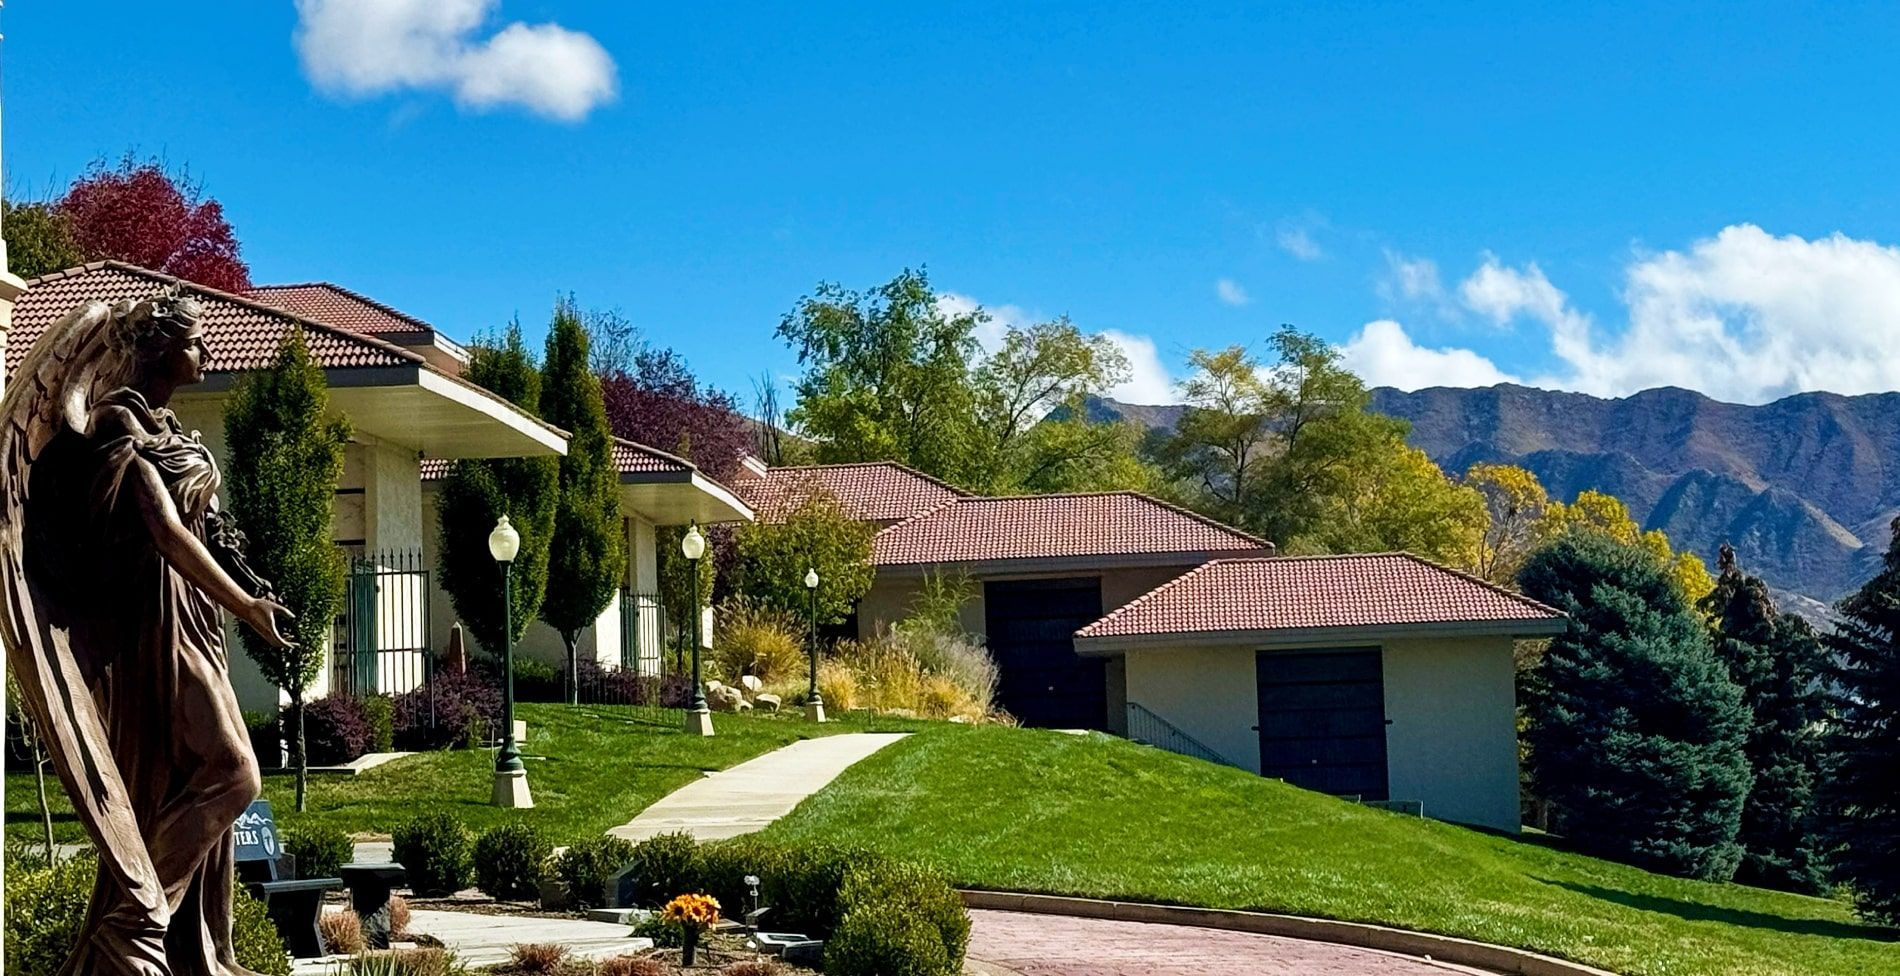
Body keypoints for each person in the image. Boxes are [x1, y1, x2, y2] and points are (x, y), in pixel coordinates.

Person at [1, 290, 295, 976]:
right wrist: (247, 606)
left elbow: (199, 531)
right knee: (233, 774)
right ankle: (132, 924)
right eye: (197, 342)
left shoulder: (166, 429)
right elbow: (163, 532)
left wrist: (245, 584)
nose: (209, 353)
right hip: (155, 627)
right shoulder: (115, 424)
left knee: (194, 782)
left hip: (196, 617)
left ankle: (205, 955)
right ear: (161, 348)